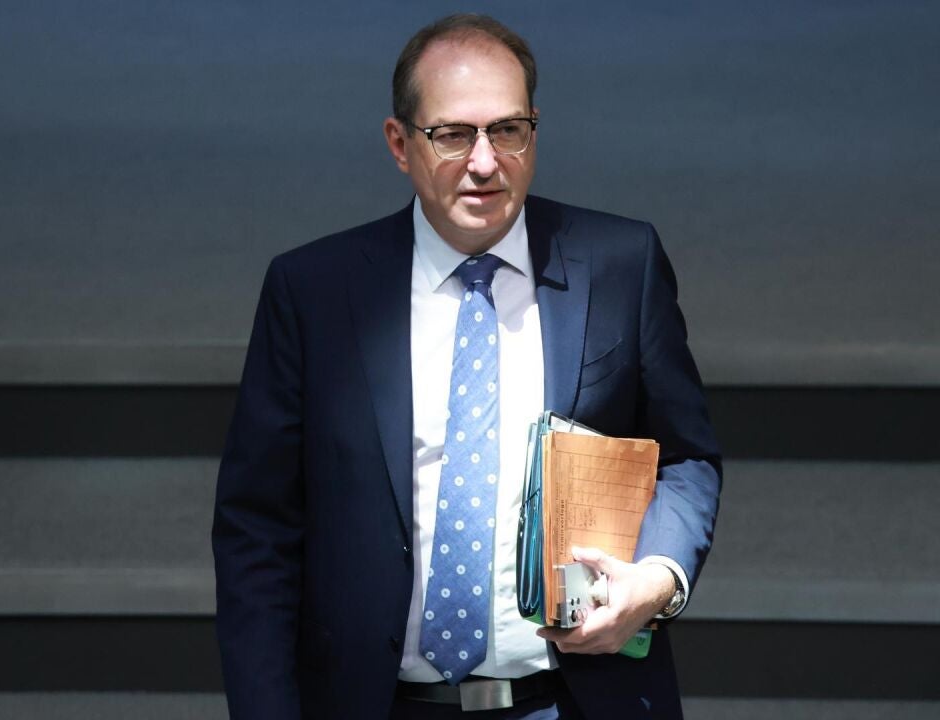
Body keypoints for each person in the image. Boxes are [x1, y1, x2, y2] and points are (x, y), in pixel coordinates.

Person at [212, 13, 721, 720]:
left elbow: (686, 455)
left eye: (507, 130)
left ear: (534, 131)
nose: (484, 162)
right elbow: (257, 531)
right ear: (400, 144)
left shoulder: (619, 265)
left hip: (573, 702)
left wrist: (658, 579)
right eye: (453, 135)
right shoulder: (315, 292)